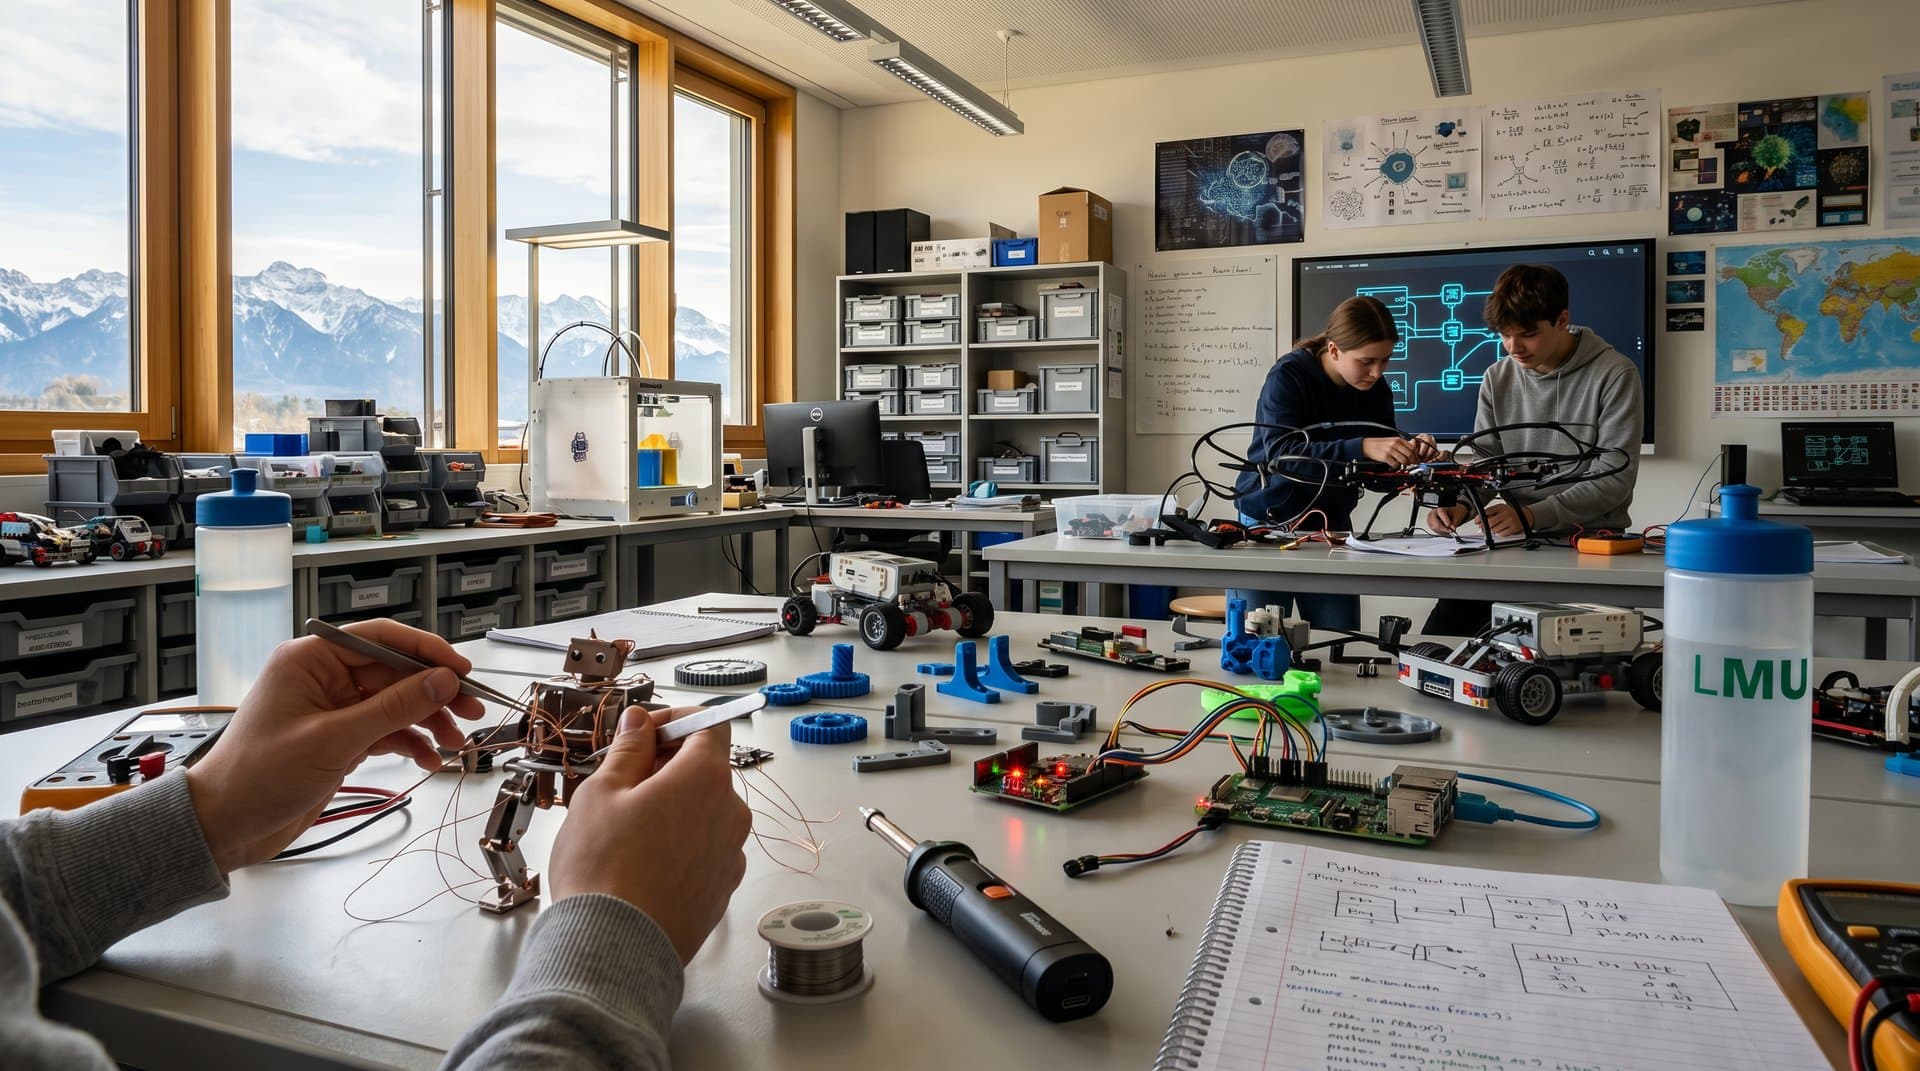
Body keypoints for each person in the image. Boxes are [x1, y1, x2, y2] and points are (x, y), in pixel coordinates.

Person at [0, 619, 750, 1069]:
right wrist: (612, 941)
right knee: (508, 817)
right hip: (558, 786)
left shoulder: (615, 699)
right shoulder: (552, 701)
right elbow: (522, 730)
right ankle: (512, 875)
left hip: (589, 776)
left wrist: (213, 810)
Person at [1422, 263, 1645, 633]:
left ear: (1562, 319)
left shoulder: (1615, 374)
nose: (1514, 347)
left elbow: (1613, 479)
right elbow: (1486, 464)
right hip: (1511, 546)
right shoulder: (1497, 377)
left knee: (1577, 656)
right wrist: (1462, 505)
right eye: (1504, 335)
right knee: (1438, 642)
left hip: (1589, 548)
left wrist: (1532, 515)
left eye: (1527, 334)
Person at [1230, 294, 1437, 629]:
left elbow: (1373, 469)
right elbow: (1283, 457)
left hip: (1332, 529)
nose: (1377, 372)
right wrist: (1363, 447)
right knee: (1260, 643)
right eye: (1366, 361)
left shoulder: (1375, 389)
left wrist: (1409, 458)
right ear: (1334, 350)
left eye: (1385, 360)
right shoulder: (1289, 376)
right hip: (1267, 524)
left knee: (1340, 639)